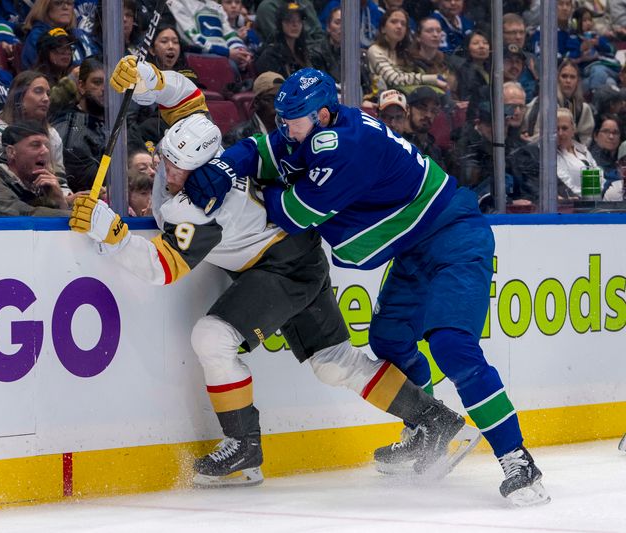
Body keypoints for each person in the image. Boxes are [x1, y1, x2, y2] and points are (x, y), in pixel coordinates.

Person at [72, 88, 476, 488]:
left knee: (213, 337)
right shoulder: (193, 151)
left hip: (283, 268)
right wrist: (150, 78)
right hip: (297, 258)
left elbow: (161, 268)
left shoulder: (200, 206)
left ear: (202, 168)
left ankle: (243, 448)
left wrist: (113, 234)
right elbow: (186, 98)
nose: (165, 172)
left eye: (177, 168)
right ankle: (437, 421)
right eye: (166, 161)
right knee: (333, 361)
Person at [184, 67, 550, 506]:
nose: (284, 129)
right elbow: (260, 148)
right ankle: (426, 432)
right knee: (389, 339)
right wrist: (227, 164)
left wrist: (252, 183)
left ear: (320, 115)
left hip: (455, 235)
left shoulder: (345, 148)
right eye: (281, 119)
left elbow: (293, 214)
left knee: (452, 344)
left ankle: (516, 457)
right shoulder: (316, 129)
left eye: (292, 120)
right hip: (415, 247)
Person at [0, 70, 68, 188]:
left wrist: (70, 198)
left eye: (48, 93)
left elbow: (61, 184)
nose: (46, 99)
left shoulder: (52, 135)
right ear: (18, 97)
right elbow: (0, 186)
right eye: (38, 91)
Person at [0, 120, 70, 216]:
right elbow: (22, 216)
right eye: (35, 145)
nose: (45, 151)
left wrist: (59, 200)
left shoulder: (40, 186)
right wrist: (75, 218)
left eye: (47, 146)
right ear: (11, 152)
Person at [52, 58, 107, 192]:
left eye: (109, 83)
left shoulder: (120, 122)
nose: (104, 89)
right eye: (97, 82)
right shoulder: (69, 127)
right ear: (81, 86)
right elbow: (86, 179)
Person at [367, 8, 449, 94]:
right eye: (394, 22)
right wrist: (432, 79)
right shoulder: (375, 50)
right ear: (383, 28)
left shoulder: (403, 53)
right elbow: (394, 79)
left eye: (403, 24)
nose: (399, 26)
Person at [524, 60, 595, 146]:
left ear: (577, 81)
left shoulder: (583, 109)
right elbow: (536, 134)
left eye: (572, 77)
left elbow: (585, 138)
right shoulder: (545, 104)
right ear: (557, 79)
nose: (568, 81)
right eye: (564, 76)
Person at [168, 0, 252, 72]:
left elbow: (229, 34)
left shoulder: (216, 6)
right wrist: (226, 52)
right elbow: (192, 38)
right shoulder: (177, 3)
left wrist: (240, 51)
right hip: (196, 56)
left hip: (224, 56)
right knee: (229, 66)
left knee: (248, 64)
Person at [21, 0, 98, 70]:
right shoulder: (37, 37)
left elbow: (99, 62)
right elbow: (40, 74)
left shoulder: (79, 34)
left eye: (69, 3)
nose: (65, 7)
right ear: (45, 7)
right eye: (58, 3)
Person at [223, 71, 284, 146]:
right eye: (271, 99)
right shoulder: (237, 137)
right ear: (256, 103)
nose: (279, 105)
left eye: (283, 99)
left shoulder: (291, 132)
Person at [557, 107, 600, 198]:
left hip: (592, 204)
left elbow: (596, 182)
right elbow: (564, 182)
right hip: (571, 204)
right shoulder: (550, 156)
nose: (560, 133)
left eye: (564, 128)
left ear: (573, 129)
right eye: (556, 129)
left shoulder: (583, 151)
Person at [402, 86, 448, 170]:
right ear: (408, 109)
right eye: (422, 108)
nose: (428, 115)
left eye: (433, 111)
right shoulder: (398, 142)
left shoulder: (434, 150)